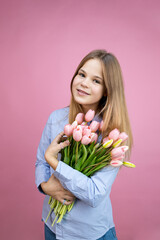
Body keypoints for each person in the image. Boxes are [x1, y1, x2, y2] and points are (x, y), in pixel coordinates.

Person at [35, 49, 133, 240]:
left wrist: (55, 162)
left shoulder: (112, 137)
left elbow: (94, 194)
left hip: (90, 234)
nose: (84, 83)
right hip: (53, 226)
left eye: (96, 80)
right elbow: (40, 162)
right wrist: (45, 187)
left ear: (107, 90)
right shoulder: (56, 119)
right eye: (82, 74)